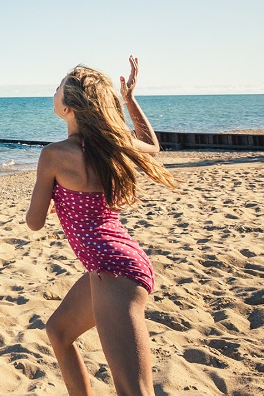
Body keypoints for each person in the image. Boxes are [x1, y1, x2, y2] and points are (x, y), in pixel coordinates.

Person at [25, 58, 177, 396]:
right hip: (111, 265)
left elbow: (34, 223)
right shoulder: (112, 144)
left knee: (133, 391)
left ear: (67, 107)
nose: (53, 93)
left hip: (114, 270)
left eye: (57, 88)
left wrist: (49, 194)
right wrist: (131, 100)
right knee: (59, 332)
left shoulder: (54, 155)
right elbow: (151, 144)